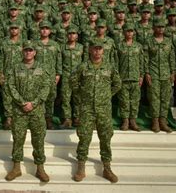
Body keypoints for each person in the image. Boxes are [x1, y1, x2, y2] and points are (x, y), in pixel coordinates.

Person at [71, 38, 121, 183]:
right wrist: (82, 94)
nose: (97, 51)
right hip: (87, 109)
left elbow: (117, 84)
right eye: (94, 48)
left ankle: (107, 168)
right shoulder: (83, 66)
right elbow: (73, 80)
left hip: (104, 109)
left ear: (103, 50)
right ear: (90, 50)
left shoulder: (109, 67)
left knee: (105, 138)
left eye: (100, 48)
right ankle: (81, 167)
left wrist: (106, 95)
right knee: (84, 137)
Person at [5, 41, 52, 182]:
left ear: (35, 52)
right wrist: (22, 102)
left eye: (31, 50)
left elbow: (46, 86)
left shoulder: (42, 68)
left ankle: (40, 168)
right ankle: (16, 168)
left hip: (36, 110)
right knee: (18, 139)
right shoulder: (15, 68)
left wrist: (34, 103)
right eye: (26, 50)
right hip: (19, 110)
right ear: (22, 52)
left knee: (38, 140)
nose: (28, 52)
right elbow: (10, 86)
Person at [144, 18, 176, 133]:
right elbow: (145, 58)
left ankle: (163, 120)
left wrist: (173, 72)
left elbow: (171, 58)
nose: (160, 29)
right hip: (153, 74)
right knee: (154, 98)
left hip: (166, 74)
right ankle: (155, 121)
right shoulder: (149, 41)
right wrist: (146, 72)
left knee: (165, 98)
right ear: (154, 28)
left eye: (162, 27)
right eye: (158, 27)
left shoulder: (168, 41)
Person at [116, 23, 145, 131]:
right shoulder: (119, 45)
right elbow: (116, 62)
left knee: (135, 100)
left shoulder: (138, 46)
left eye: (131, 31)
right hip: (123, 77)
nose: (129, 33)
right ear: (123, 32)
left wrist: (141, 75)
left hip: (135, 77)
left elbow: (142, 62)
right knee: (124, 100)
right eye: (127, 31)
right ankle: (125, 121)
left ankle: (133, 121)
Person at [60, 26, 84, 128]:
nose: (71, 35)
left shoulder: (81, 47)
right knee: (65, 98)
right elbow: (59, 61)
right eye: (69, 33)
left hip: (78, 77)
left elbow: (84, 62)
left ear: (77, 36)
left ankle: (77, 118)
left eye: (73, 33)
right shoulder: (62, 47)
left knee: (78, 98)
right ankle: (67, 119)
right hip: (66, 76)